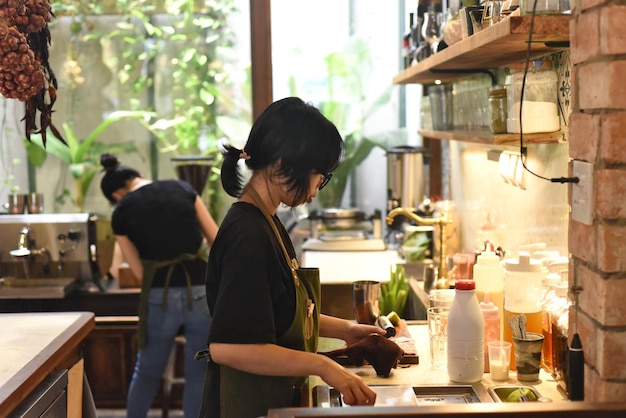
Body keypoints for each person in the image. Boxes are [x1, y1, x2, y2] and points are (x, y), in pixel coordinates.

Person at [202, 97, 386, 418]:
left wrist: (346, 329)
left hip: (274, 401)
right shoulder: (247, 235)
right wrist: (323, 365)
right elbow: (228, 347)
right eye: (319, 175)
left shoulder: (268, 220)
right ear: (282, 164)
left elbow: (279, 315)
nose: (318, 187)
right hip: (245, 405)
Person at [100, 153, 219, 418]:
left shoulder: (121, 211)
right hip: (199, 290)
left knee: (147, 373)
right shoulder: (182, 189)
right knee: (199, 372)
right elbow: (216, 238)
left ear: (117, 194)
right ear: (137, 177)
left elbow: (139, 272)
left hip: (158, 294)